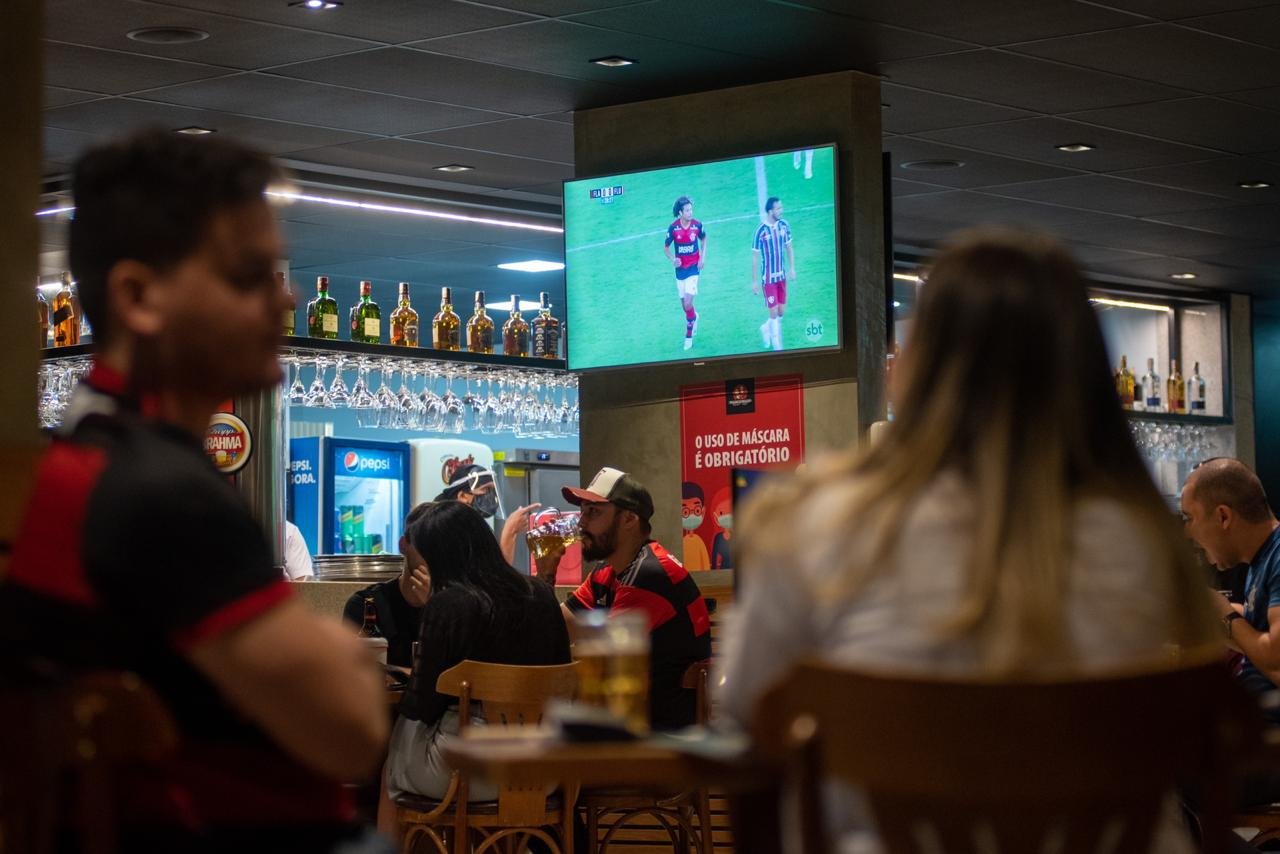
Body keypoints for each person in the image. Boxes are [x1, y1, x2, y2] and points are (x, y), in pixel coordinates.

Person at [717, 228, 1220, 853]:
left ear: (918, 370)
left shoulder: (819, 523)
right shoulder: (1143, 541)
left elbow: (748, 711)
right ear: (1086, 378)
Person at [0, 130, 387, 851]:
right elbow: (353, 736)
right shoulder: (163, 497)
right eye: (248, 277)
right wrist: (336, 651)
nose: (286, 298)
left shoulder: (83, 463)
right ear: (140, 297)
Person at [385, 501, 570, 801]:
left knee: (394, 753)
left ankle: (393, 846)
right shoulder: (542, 595)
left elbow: (422, 706)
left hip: (464, 772)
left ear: (440, 556)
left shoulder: (447, 605)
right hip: (541, 769)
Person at [541, 467, 712, 730]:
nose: (581, 523)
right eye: (583, 512)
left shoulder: (650, 575)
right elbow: (559, 628)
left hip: (662, 735)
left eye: (593, 512)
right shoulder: (608, 571)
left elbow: (604, 661)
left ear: (629, 519)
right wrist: (547, 574)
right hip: (629, 719)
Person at [1182, 459, 1280, 715]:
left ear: (1223, 516)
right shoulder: (1261, 560)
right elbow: (1255, 630)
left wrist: (1224, 613)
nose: (1187, 533)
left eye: (1190, 518)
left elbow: (1276, 661)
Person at [343, 503, 433, 668]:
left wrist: (435, 608)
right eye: (425, 546)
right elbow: (355, 673)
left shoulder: (454, 609)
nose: (432, 558)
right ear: (403, 545)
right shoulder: (367, 605)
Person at [663, 196, 708, 351]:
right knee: (685, 306)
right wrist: (673, 259)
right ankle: (694, 317)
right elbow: (666, 248)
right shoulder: (673, 228)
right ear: (680, 213)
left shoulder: (697, 226)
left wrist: (702, 257)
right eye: (687, 210)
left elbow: (704, 239)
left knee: (688, 303)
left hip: (694, 269)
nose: (690, 212)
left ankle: (688, 337)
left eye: (691, 209)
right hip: (680, 271)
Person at [751, 196, 795, 352]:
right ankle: (776, 345)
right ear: (770, 211)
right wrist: (754, 281)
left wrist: (792, 269)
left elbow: (789, 247)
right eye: (778, 208)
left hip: (781, 277)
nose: (780, 211)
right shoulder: (760, 231)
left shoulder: (784, 225)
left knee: (781, 312)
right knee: (774, 313)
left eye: (780, 208)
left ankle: (765, 328)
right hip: (768, 279)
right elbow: (755, 258)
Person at [681, 481, 711, 571]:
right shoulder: (682, 542)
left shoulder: (699, 541)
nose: (691, 515)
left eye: (696, 510)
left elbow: (705, 564)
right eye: (685, 512)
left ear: (703, 512)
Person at [708, 486, 733, 570]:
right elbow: (714, 557)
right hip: (723, 570)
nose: (727, 515)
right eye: (722, 512)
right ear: (715, 516)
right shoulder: (718, 538)